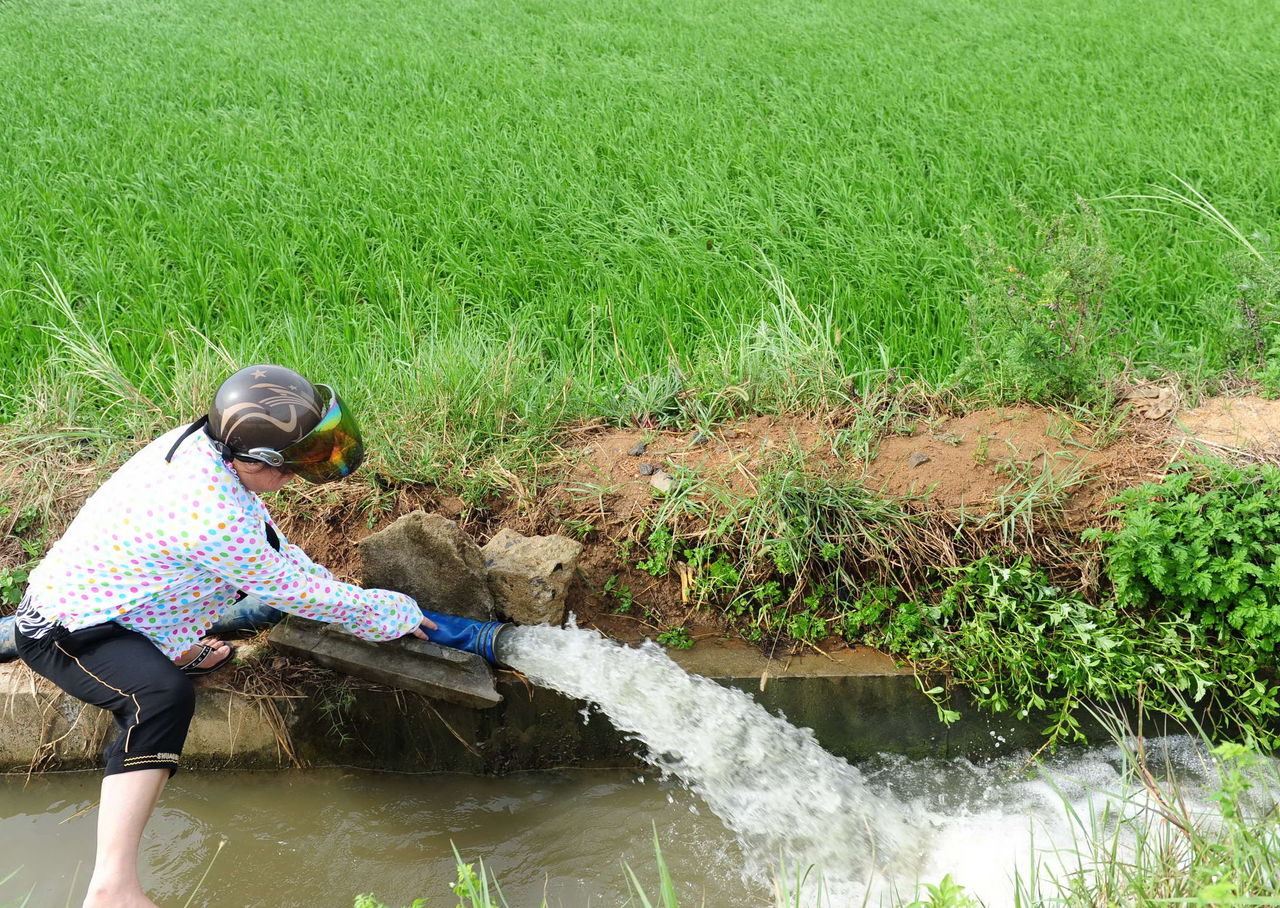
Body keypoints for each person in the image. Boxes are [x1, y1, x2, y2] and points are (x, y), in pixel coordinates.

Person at [14, 364, 436, 908]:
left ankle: (169, 649)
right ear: (253, 460)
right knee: (160, 698)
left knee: (203, 596)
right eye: (291, 467)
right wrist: (389, 613)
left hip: (126, 608)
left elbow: (266, 542)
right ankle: (111, 886)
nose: (294, 479)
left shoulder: (203, 444)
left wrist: (333, 582)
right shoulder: (208, 514)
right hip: (66, 631)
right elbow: (290, 590)